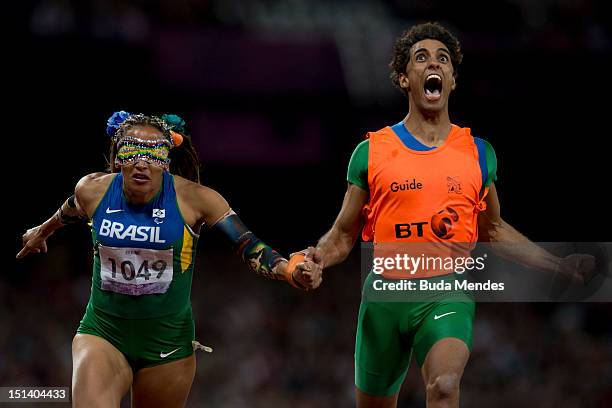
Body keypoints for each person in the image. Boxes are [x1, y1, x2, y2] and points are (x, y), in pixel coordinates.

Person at [298, 22, 595, 408]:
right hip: (384, 297)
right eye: (421, 58)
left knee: (444, 385)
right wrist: (319, 257)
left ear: (452, 79)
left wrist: (559, 265)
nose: (433, 63)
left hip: (447, 291)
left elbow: (494, 230)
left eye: (443, 59)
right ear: (405, 79)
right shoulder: (371, 152)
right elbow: (342, 235)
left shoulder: (477, 153)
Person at [17, 111, 321, 408]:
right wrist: (42, 231)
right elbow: (70, 209)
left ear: (167, 160)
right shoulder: (93, 189)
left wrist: (287, 270)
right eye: (133, 152)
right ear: (119, 154)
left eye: (154, 155)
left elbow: (248, 245)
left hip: (168, 343)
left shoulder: (196, 199)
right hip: (103, 332)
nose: (142, 164)